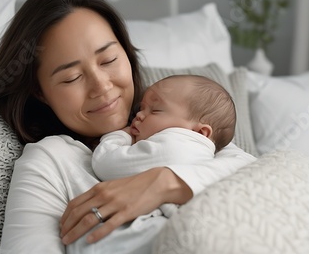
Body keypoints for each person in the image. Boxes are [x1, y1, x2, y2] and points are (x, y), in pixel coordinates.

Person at [0, 0, 256, 254]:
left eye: (108, 60)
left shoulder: (178, 124)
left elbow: (264, 179)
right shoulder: (49, 161)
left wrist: (164, 183)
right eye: (72, 78)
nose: (101, 87)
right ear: (40, 93)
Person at [92, 74, 236, 218]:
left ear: (200, 132)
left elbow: (105, 163)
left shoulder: (175, 145)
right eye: (140, 108)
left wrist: (119, 136)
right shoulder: (218, 158)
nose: (139, 115)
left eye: (155, 110)